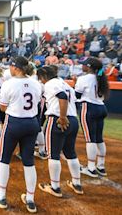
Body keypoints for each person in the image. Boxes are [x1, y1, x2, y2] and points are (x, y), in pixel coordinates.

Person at [0, 56, 41, 213]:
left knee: (4, 159)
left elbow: (3, 107)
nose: (9, 69)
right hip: (32, 123)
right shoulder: (36, 83)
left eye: (11, 66)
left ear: (16, 68)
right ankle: (30, 199)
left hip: (14, 123)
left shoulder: (9, 84)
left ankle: (2, 196)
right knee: (28, 161)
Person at [36, 66, 84, 198]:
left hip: (58, 119)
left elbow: (62, 97)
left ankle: (55, 187)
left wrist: (62, 117)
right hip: (73, 119)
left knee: (53, 154)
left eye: (40, 78)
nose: (41, 81)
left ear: (44, 76)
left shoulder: (51, 84)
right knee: (70, 152)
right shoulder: (64, 83)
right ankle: (77, 183)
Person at [75, 57, 109, 177]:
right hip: (101, 107)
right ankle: (101, 166)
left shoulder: (83, 78)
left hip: (89, 108)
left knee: (90, 139)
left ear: (89, 67)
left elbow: (77, 95)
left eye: (84, 65)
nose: (82, 66)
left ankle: (91, 168)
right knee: (99, 138)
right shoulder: (101, 78)